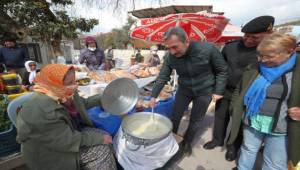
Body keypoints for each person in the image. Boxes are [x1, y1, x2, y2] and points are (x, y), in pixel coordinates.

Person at [16, 64, 116, 170]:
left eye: (74, 80)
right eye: (70, 83)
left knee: (104, 134)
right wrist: (99, 139)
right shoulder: (43, 112)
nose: (75, 85)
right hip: (48, 153)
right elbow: (66, 141)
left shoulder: (63, 93)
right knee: (101, 150)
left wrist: (104, 97)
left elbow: (83, 104)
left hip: (66, 132)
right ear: (53, 84)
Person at [203, 15, 275, 161]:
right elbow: (219, 69)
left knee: (239, 121)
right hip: (225, 89)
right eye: (246, 36)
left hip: (246, 94)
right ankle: (217, 140)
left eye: (254, 38)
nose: (248, 40)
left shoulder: (266, 52)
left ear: (266, 35)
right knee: (220, 116)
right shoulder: (230, 47)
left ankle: (233, 147)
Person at [149, 27, 228, 156]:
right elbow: (163, 76)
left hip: (204, 91)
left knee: (196, 119)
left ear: (187, 41)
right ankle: (170, 140)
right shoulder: (170, 57)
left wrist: (218, 90)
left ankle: (187, 142)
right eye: (168, 48)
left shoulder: (208, 49)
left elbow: (222, 70)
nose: (172, 52)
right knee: (175, 115)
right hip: (184, 90)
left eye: (175, 47)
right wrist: (153, 96)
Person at [228, 33, 300, 170]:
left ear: (289, 52)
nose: (262, 60)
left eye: (269, 56)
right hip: (253, 120)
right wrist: (234, 107)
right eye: (260, 55)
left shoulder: (297, 70)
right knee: (248, 149)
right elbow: (240, 89)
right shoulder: (255, 66)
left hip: (282, 127)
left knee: (274, 164)